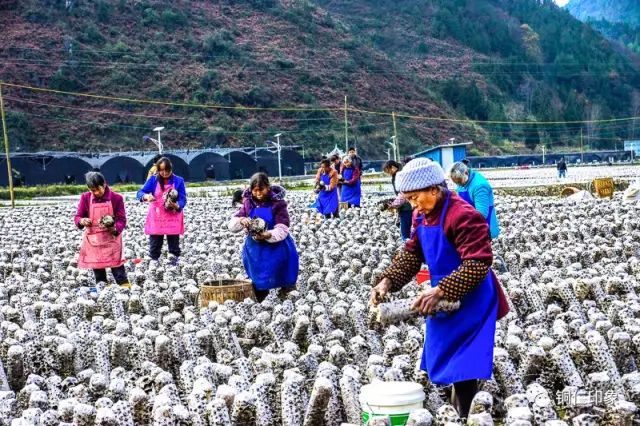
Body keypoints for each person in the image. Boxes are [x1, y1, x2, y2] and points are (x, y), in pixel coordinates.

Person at [369, 158, 509, 420]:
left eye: (415, 197)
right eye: (408, 199)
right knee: (446, 358)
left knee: (464, 364)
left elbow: (478, 263)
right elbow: (413, 253)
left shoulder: (463, 215)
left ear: (434, 189)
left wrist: (441, 290)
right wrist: (387, 280)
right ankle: (462, 411)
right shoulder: (422, 216)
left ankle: (467, 416)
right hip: (442, 298)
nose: (413, 204)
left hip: (472, 296)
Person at [228, 173, 299, 302]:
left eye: (261, 190)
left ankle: (287, 296)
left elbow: (282, 227)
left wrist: (268, 234)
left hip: (277, 246)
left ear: (268, 187)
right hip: (256, 249)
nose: (258, 193)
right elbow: (233, 224)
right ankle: (260, 300)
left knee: (282, 272)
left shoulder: (278, 204)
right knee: (258, 277)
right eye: (255, 191)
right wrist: (242, 220)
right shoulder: (248, 202)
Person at [75, 172, 130, 289]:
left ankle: (126, 290)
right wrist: (82, 221)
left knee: (118, 269)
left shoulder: (116, 198)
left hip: (112, 239)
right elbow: (78, 217)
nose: (96, 193)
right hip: (94, 241)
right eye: (92, 190)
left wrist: (115, 228)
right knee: (99, 273)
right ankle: (103, 292)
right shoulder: (85, 198)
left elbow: (122, 219)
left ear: (104, 184)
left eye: (98, 189)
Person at [137, 157, 187, 265]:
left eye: (167, 170)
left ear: (171, 169)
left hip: (172, 216)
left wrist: (177, 205)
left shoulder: (179, 181)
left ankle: (174, 264)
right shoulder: (153, 180)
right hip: (157, 215)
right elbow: (140, 193)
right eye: (161, 170)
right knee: (154, 245)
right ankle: (154, 264)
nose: (164, 173)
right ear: (158, 170)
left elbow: (183, 199)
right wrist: (146, 196)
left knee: (174, 245)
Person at [449, 162, 500, 239]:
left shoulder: (479, 186)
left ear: (466, 172)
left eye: (460, 182)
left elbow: (481, 214)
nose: (459, 185)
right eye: (456, 183)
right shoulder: (462, 180)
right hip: (470, 224)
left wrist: (463, 224)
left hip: (483, 226)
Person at [383, 160, 413, 240]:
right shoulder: (397, 175)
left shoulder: (400, 175)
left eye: (388, 171)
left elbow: (403, 193)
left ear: (392, 167)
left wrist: (394, 205)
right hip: (406, 205)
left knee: (405, 231)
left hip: (407, 206)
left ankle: (407, 247)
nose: (388, 173)